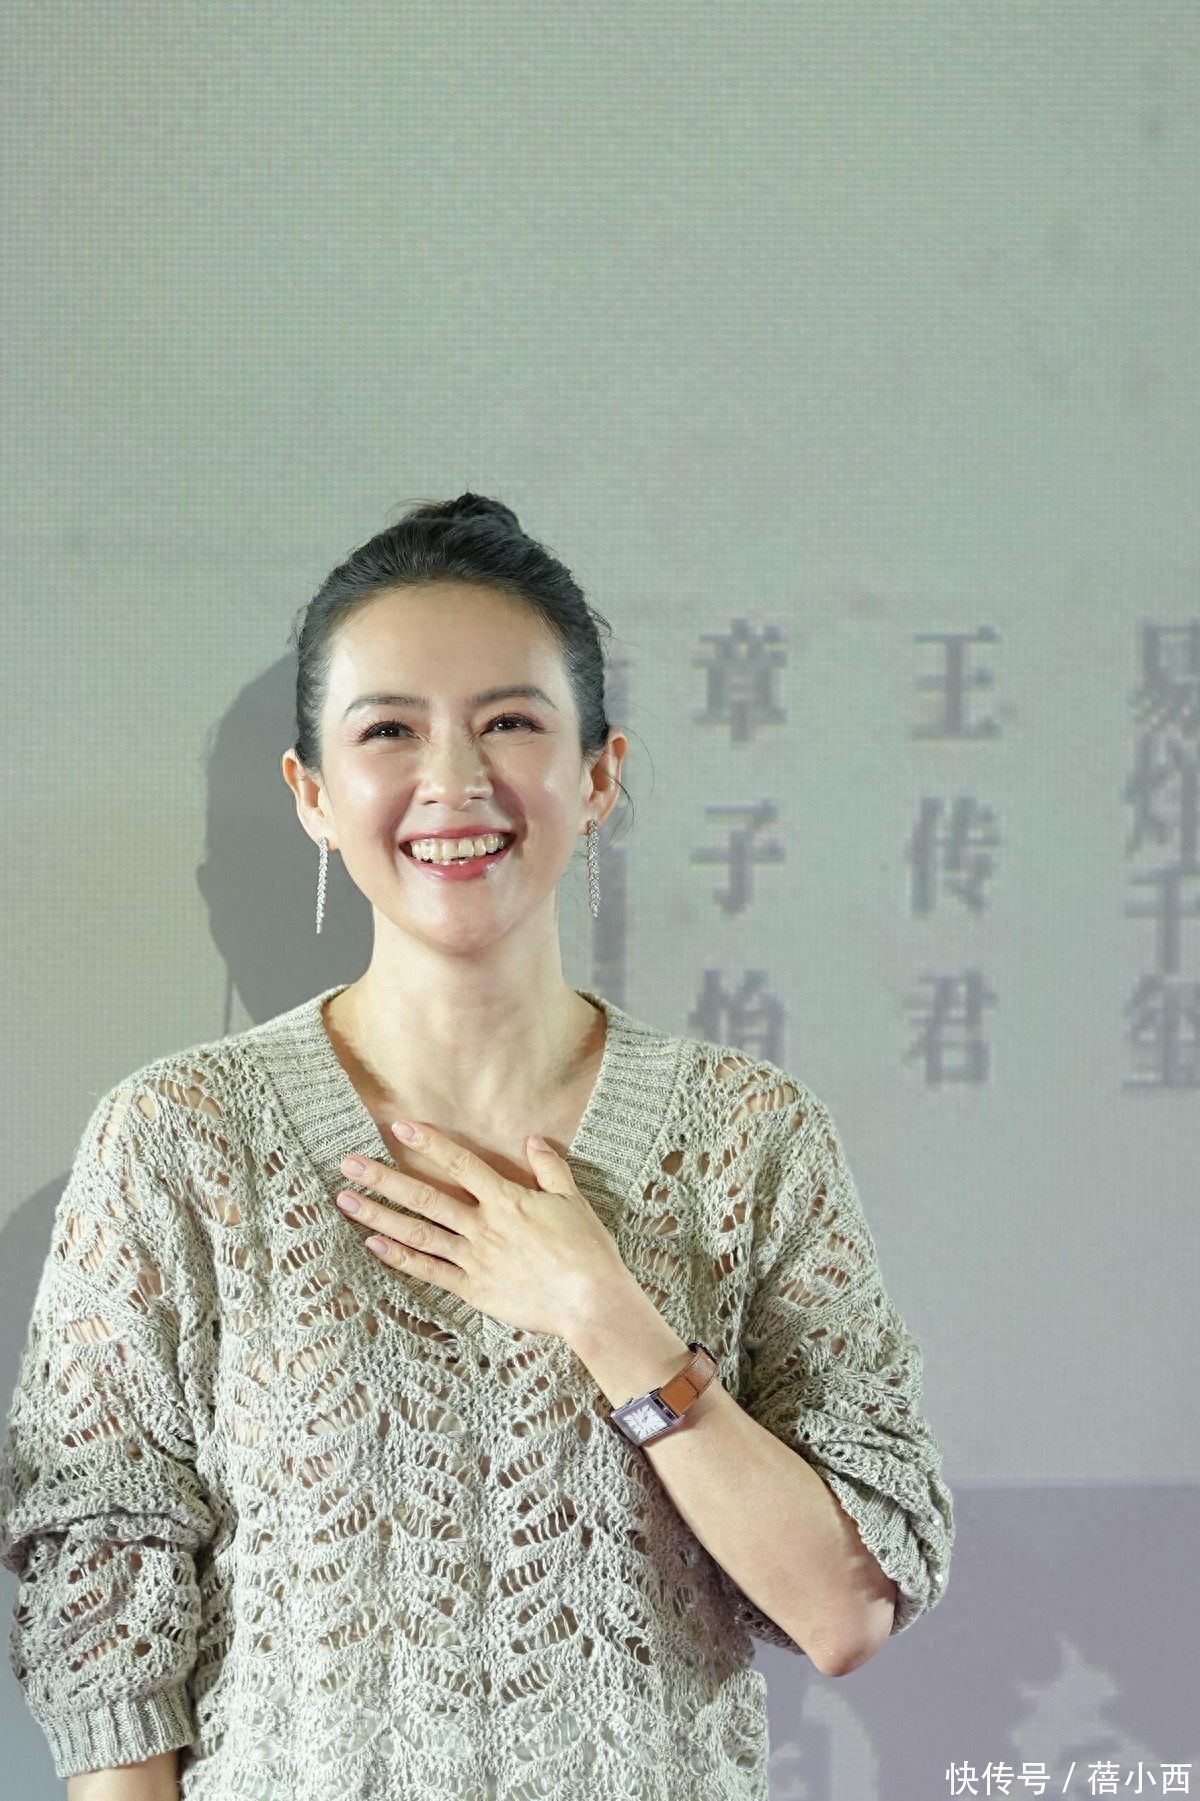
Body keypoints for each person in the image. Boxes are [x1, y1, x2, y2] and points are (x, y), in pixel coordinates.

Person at [0, 493, 955, 1801]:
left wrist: (603, 1310)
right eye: (389, 730)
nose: (453, 781)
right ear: (312, 795)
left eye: (510, 723)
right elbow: (103, 1622)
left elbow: (846, 1610)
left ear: (599, 775)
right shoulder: (177, 1141)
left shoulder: (752, 1135)